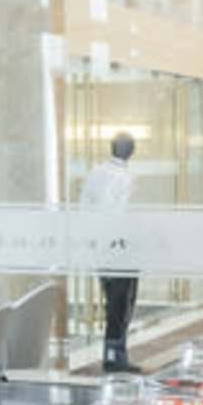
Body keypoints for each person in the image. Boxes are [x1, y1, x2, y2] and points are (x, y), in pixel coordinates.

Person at [81, 130, 140, 370]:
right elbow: (122, 215)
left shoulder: (95, 173)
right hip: (120, 249)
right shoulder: (126, 178)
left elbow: (84, 206)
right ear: (131, 151)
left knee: (112, 302)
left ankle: (113, 355)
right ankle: (116, 357)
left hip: (101, 247)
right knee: (121, 304)